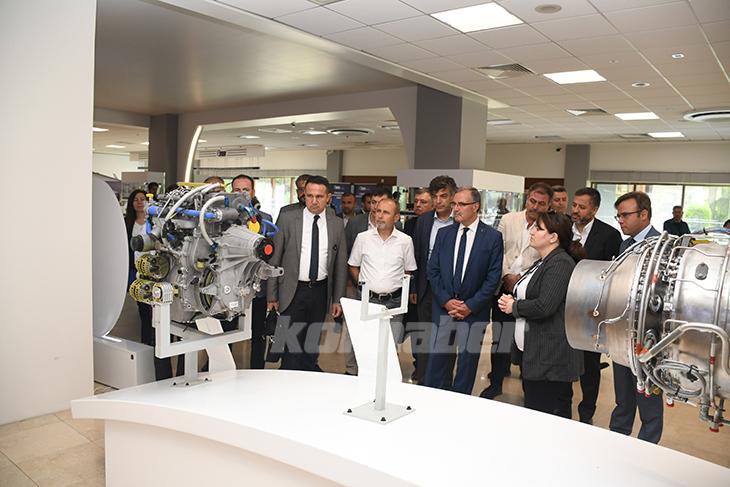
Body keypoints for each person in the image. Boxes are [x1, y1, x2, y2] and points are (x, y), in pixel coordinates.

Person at [497, 212, 584, 416]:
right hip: (537, 351)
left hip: (551, 355)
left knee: (546, 412)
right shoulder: (543, 261)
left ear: (553, 237)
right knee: (536, 408)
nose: (532, 231)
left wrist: (514, 306)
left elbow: (545, 306)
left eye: (539, 228)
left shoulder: (560, 263)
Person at [423, 187, 503, 394]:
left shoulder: (492, 237)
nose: (455, 208)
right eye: (454, 204)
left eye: (461, 204)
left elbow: (493, 278)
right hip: (444, 309)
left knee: (467, 366)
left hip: (474, 312)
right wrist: (446, 301)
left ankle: (460, 404)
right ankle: (432, 401)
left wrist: (470, 306)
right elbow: (433, 271)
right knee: (437, 363)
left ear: (475, 206)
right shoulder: (444, 234)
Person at [480, 182, 553, 399]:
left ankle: (528, 386)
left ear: (548, 206)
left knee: (527, 339)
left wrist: (523, 279)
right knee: (500, 338)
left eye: (541, 204)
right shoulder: (508, 219)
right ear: (527, 199)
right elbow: (498, 250)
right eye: (532, 201)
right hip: (504, 286)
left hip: (530, 289)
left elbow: (547, 256)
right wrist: (507, 276)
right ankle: (495, 383)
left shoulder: (549, 227)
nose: (535, 207)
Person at [267, 176, 347, 371]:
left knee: (311, 346)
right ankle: (289, 382)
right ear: (304, 195)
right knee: (291, 347)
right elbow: (275, 259)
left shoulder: (336, 224)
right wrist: (272, 295)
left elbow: (340, 264)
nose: (314, 201)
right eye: (309, 195)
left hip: (320, 291)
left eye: (319, 196)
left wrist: (337, 299)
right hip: (292, 291)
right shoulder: (288, 219)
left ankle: (308, 380)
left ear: (328, 198)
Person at [611, 191, 663, 443]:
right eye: (618, 216)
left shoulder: (662, 246)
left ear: (644, 214)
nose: (620, 220)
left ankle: (647, 445)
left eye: (625, 215)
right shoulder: (625, 245)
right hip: (623, 331)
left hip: (649, 335)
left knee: (648, 396)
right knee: (623, 395)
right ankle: (618, 438)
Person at [567, 187, 622, 424]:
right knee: (565, 361)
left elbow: (613, 274)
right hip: (563, 305)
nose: (576, 210)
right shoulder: (563, 228)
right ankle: (563, 407)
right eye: (574, 205)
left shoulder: (609, 235)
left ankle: (586, 412)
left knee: (589, 366)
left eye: (582, 207)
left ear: (594, 209)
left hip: (591, 310)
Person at [125, 189, 183, 380]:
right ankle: (151, 358)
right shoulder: (129, 223)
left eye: (143, 199)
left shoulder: (159, 222)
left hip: (164, 275)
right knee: (149, 319)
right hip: (142, 274)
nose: (140, 202)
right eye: (136, 199)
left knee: (175, 324)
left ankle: (177, 371)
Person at [411, 175, 457, 383]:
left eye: (443, 196)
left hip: (450, 291)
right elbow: (417, 256)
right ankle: (423, 381)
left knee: (446, 341)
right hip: (426, 287)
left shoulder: (459, 220)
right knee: (424, 338)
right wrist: (414, 287)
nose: (439, 201)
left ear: (452, 196)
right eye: (435, 196)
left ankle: (443, 383)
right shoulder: (424, 221)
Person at [348, 198, 416, 321]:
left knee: (393, 334)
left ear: (396, 217)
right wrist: (363, 285)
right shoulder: (363, 238)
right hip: (367, 300)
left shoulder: (405, 241)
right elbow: (353, 265)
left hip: (395, 302)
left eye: (386, 212)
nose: (380, 216)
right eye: (378, 211)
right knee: (367, 333)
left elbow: (408, 270)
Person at [232, 174, 273, 369]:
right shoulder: (222, 219)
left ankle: (257, 370)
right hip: (230, 288)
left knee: (258, 334)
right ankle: (219, 371)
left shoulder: (265, 219)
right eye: (237, 190)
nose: (241, 194)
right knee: (225, 333)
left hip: (258, 289)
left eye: (245, 190)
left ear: (253, 192)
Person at [345, 185, 402, 254]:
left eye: (381, 203)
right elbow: (345, 251)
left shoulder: (397, 225)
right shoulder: (354, 223)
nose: (376, 207)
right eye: (373, 202)